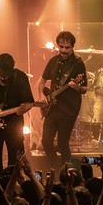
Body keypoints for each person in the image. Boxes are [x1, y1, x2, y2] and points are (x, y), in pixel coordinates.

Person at [36, 31, 88, 169]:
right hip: (52, 107)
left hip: (68, 109)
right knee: (46, 142)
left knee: (62, 143)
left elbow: (84, 89)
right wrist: (42, 97)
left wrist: (75, 86)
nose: (63, 50)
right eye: (61, 47)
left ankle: (68, 170)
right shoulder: (53, 61)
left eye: (67, 47)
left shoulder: (78, 63)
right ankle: (57, 167)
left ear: (72, 47)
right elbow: (41, 83)